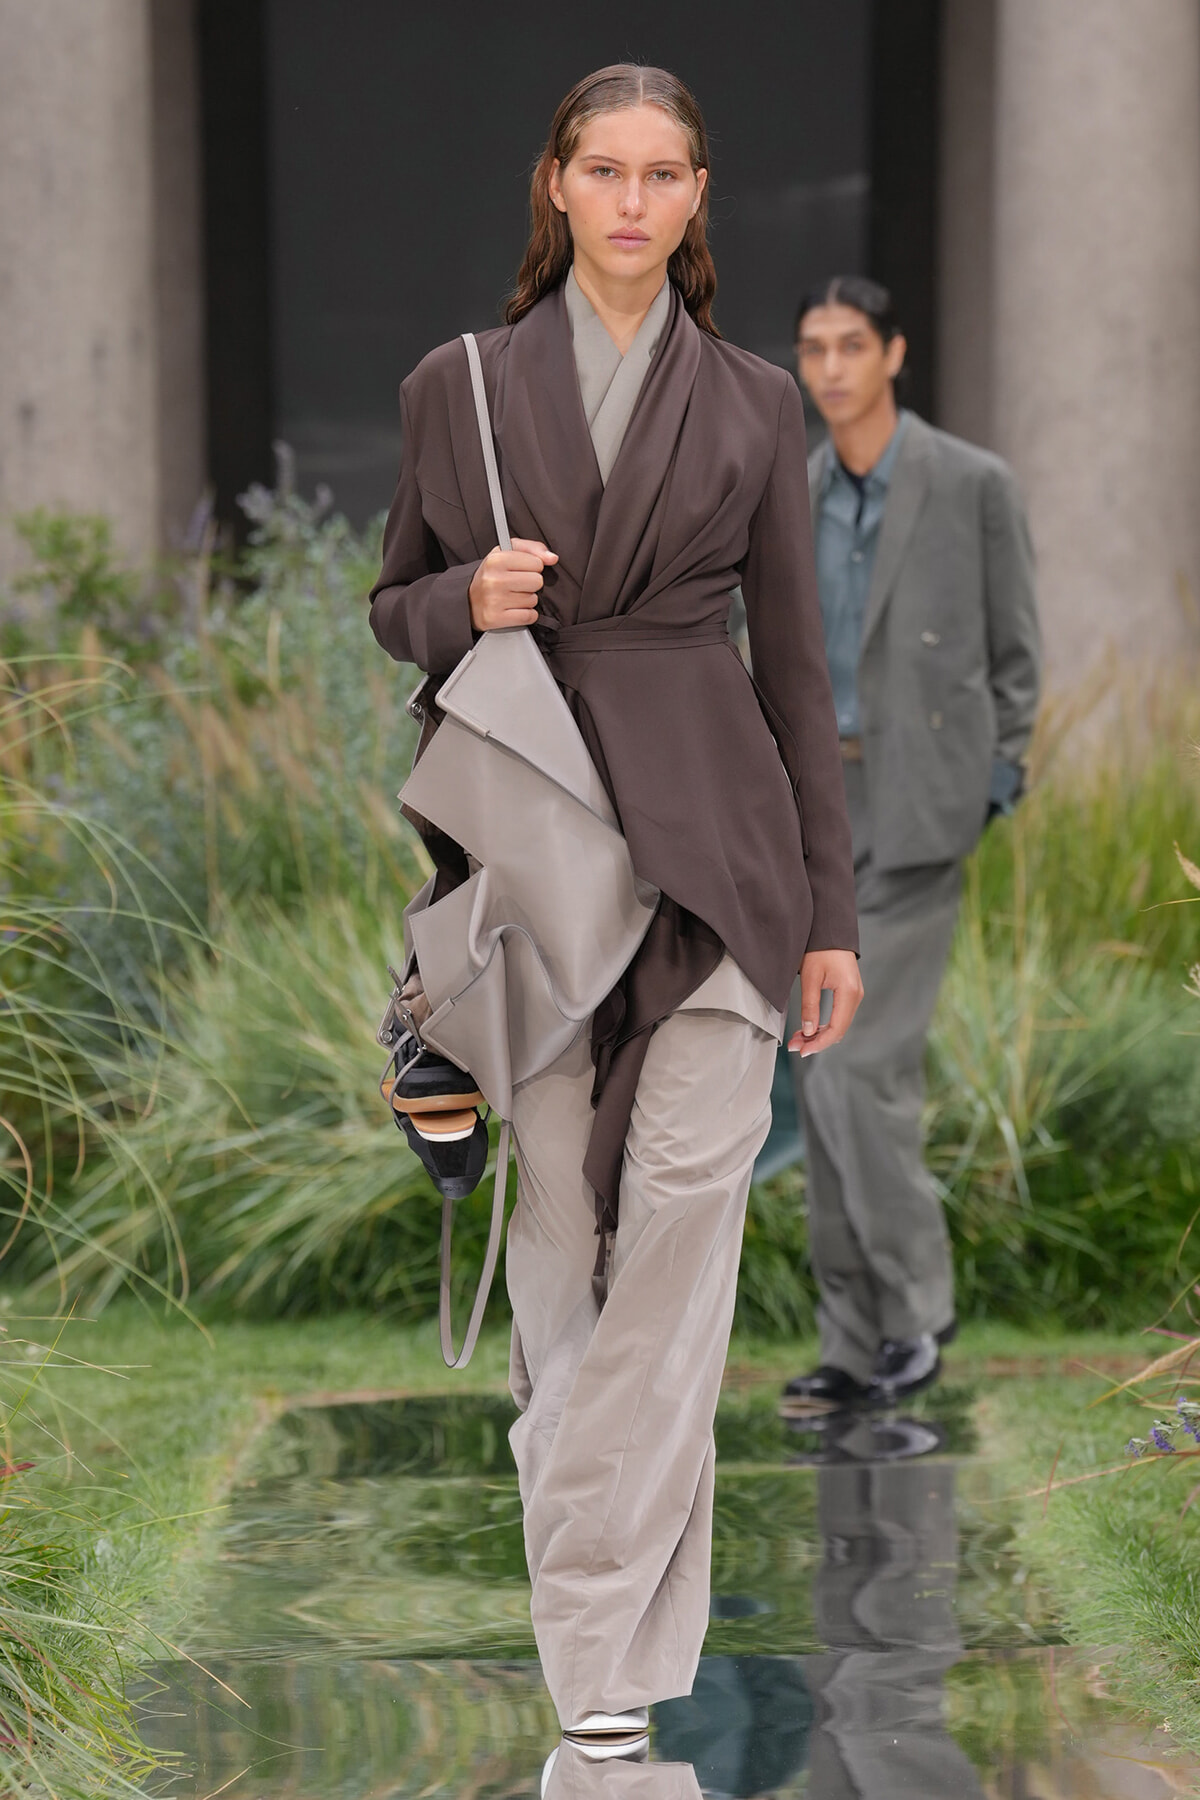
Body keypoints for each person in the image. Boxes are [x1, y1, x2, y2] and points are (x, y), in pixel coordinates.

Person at [368, 65, 861, 1757]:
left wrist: (830, 917)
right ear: (556, 187)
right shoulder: (461, 389)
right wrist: (461, 596)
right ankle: (627, 1669)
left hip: (721, 869)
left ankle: (591, 1675)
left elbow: (798, 674)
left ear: (700, 196)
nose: (635, 200)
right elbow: (390, 607)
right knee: (564, 1268)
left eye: (665, 174)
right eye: (605, 169)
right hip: (537, 868)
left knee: (676, 1272)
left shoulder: (751, 403)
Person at [785, 276, 1040, 1411]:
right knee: (819, 1077)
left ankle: (915, 1318)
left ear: (892, 355)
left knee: (857, 1067)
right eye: (813, 348)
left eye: (852, 346)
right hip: (812, 819)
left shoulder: (971, 484)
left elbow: (1016, 655)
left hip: (919, 815)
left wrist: (989, 787)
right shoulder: (788, 493)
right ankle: (855, 1344)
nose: (831, 367)